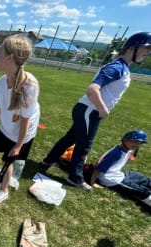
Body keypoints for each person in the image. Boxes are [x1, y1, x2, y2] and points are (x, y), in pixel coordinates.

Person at [41, 32, 151, 190]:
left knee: (70, 139)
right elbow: (92, 89)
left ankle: (48, 160)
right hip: (89, 111)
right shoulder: (117, 67)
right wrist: (103, 108)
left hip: (88, 111)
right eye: (145, 48)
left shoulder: (123, 67)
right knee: (84, 145)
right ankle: (75, 179)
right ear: (132, 48)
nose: (147, 53)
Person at [0, 36, 40, 204]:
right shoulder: (1, 82)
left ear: (10, 58)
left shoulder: (30, 85)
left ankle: (3, 190)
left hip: (22, 133)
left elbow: (25, 120)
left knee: (8, 162)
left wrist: (18, 145)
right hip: (7, 126)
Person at [90, 130, 151, 206]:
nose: (137, 145)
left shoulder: (127, 149)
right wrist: (93, 183)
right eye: (134, 141)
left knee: (142, 178)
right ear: (125, 139)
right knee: (141, 191)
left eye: (140, 143)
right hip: (112, 180)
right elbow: (98, 167)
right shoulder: (117, 153)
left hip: (119, 174)